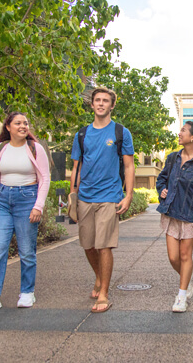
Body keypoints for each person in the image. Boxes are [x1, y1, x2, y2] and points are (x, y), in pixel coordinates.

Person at [0, 112, 50, 313]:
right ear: (8, 127)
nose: (23, 126)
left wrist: (38, 206)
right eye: (18, 123)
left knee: (26, 251)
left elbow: (45, 178)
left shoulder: (35, 148)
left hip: (27, 199)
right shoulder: (0, 148)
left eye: (25, 123)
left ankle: (27, 292)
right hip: (2, 201)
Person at [70, 87, 135, 313]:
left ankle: (104, 293)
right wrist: (73, 197)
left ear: (111, 105)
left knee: (104, 245)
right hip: (85, 197)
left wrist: (128, 195)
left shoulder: (121, 132)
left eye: (105, 101)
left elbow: (128, 165)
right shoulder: (82, 134)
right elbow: (76, 167)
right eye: (97, 100)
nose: (100, 104)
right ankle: (98, 276)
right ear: (92, 104)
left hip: (109, 196)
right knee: (88, 245)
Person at [156, 121, 193, 312]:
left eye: (183, 130)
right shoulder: (173, 158)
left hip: (192, 215)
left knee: (185, 255)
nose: (179, 132)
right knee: (173, 257)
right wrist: (162, 190)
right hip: (171, 212)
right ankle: (187, 281)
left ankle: (181, 297)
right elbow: (162, 179)